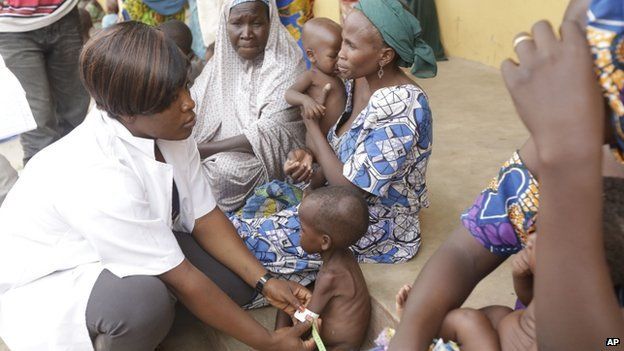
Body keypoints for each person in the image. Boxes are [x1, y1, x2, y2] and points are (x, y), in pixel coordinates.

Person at [0, 22, 318, 351]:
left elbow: (204, 216)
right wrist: (267, 342)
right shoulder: (100, 173)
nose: (188, 104)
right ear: (126, 113)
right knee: (143, 306)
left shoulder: (167, 130)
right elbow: (184, 280)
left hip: (119, 242)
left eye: (184, 86)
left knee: (235, 286)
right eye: (169, 99)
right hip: (55, 275)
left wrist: (265, 282)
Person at [388, 0, 624, 349]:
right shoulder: (568, 141)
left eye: (593, 61)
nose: (555, 74)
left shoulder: (566, 146)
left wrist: (567, 158)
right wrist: (407, 340)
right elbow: (464, 253)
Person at [231, 0, 438, 301]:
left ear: (385, 55)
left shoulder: (403, 107)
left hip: (372, 227)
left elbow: (349, 190)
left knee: (245, 241)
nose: (340, 53)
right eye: (342, 42)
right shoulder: (357, 82)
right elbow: (341, 150)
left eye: (351, 46)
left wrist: (311, 128)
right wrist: (308, 155)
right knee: (242, 224)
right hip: (330, 204)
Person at [191, 0, 306, 212]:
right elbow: (193, 104)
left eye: (256, 23)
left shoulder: (286, 63)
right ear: (226, 24)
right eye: (237, 23)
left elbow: (268, 132)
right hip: (214, 150)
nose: (246, 33)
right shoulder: (219, 63)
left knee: (227, 172)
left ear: (270, 22)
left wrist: (199, 151)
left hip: (264, 158)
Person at [275, 186, 371, 350]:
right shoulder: (343, 256)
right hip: (332, 336)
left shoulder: (331, 276)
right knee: (286, 299)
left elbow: (307, 319)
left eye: (302, 229)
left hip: (338, 347)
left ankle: (276, 343)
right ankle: (277, 340)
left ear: (324, 242)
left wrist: (287, 334)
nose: (298, 233)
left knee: (288, 305)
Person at [0, 0, 90, 164]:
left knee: (76, 110)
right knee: (37, 121)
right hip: (11, 27)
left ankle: (83, 172)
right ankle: (44, 184)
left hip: (63, 13)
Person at [285, 18, 346, 137]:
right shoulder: (312, 76)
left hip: (337, 136)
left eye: (342, 53)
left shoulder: (338, 75)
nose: (340, 60)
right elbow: (289, 94)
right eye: (333, 56)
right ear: (311, 55)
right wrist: (306, 101)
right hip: (317, 138)